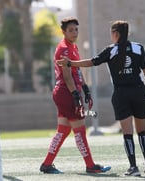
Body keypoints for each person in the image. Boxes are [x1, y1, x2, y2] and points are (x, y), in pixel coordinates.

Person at [57, 20, 145, 177]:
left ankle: (133, 167)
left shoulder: (111, 50)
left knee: (128, 133)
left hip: (121, 94)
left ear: (116, 34)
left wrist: (70, 63)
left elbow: (92, 62)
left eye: (111, 33)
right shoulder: (139, 48)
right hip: (139, 92)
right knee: (142, 131)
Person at [39, 17, 111, 174]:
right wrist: (75, 96)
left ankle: (46, 164)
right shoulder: (64, 48)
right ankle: (90, 165)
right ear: (63, 32)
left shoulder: (73, 47)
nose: (74, 32)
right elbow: (67, 75)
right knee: (80, 130)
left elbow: (77, 71)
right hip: (66, 92)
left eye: (76, 29)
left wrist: (85, 89)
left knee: (63, 130)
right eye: (71, 30)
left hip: (67, 92)